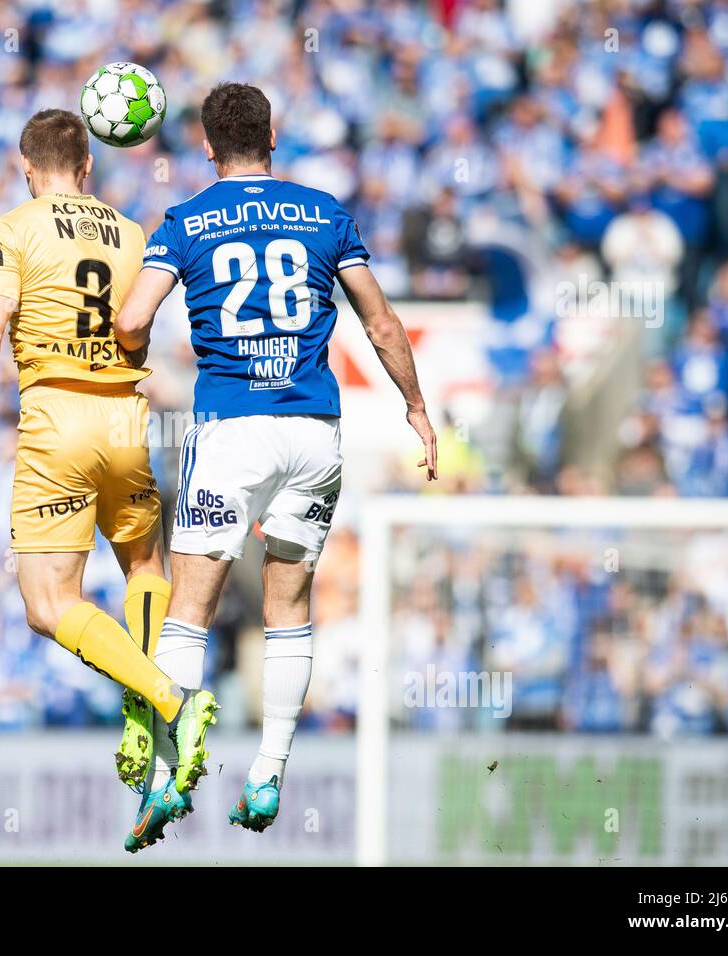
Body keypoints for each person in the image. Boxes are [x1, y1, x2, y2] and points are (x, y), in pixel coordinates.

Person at [116, 83, 437, 846]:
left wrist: (128, 363)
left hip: (232, 429)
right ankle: (268, 770)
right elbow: (384, 323)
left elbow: (133, 318)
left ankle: (166, 775)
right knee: (288, 609)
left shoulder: (188, 220)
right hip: (313, 430)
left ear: (206, 146)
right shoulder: (326, 213)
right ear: (273, 138)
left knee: (190, 608)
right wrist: (416, 407)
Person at [0, 110, 218, 849]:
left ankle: (164, 697)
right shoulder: (132, 232)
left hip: (57, 421)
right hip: (127, 418)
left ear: (26, 165)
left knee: (47, 603)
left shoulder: (12, 227)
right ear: (87, 167)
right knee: (144, 565)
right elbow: (140, 324)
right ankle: (153, 727)